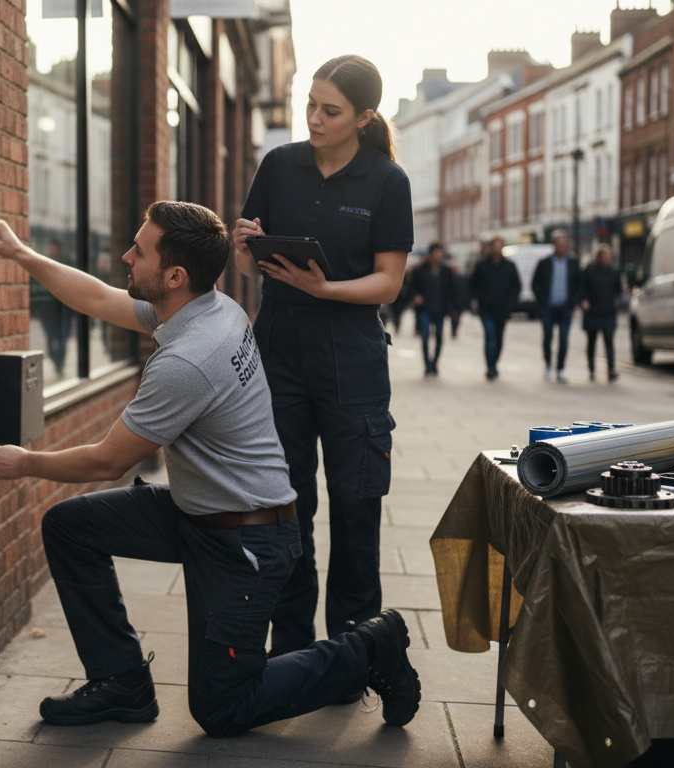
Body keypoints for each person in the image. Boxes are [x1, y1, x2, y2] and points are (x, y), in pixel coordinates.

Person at [0, 202, 421, 736]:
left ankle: (370, 646)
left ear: (174, 276)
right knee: (71, 527)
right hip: (200, 513)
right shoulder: (209, 306)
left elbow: (108, 460)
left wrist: (24, 462)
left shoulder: (190, 359)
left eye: (139, 251)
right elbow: (96, 297)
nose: (125, 256)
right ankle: (122, 682)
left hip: (247, 541)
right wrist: (18, 252)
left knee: (222, 708)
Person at [233, 55, 412, 669]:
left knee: (357, 506)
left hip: (352, 359)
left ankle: (356, 653)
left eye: (329, 110)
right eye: (310, 104)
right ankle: (291, 653)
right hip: (277, 349)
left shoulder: (388, 181)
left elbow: (388, 283)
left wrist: (326, 290)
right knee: (285, 505)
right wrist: (241, 250)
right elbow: (250, 267)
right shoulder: (279, 165)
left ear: (363, 118)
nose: (314, 118)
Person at [531, 229, 581, 383]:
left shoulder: (573, 263)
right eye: (559, 244)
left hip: (565, 307)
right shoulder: (544, 263)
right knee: (547, 337)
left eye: (564, 243)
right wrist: (542, 299)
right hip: (548, 307)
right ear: (554, 245)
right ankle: (548, 365)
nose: (562, 246)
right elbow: (535, 283)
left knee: (564, 339)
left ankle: (560, 369)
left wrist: (575, 302)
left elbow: (579, 284)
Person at [469, 235, 520, 380]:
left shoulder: (510, 266)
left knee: (499, 338)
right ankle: (490, 366)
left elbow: (516, 286)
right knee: (489, 336)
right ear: (491, 248)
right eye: (495, 247)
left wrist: (511, 303)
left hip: (503, 309)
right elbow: (473, 285)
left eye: (500, 246)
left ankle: (494, 363)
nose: (497, 250)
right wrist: (477, 300)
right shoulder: (482, 265)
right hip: (486, 308)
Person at [410, 243, 457, 376]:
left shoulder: (447, 271)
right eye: (435, 254)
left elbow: (452, 291)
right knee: (425, 337)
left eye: (440, 254)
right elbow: (412, 288)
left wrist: (453, 308)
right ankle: (427, 364)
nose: (438, 257)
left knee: (439, 337)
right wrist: (416, 296)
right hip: (425, 309)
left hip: (441, 310)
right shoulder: (420, 270)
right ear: (430, 255)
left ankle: (435, 363)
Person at [580, 243, 624, 382]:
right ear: (599, 257)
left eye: (609, 256)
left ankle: (611, 369)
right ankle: (592, 368)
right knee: (592, 342)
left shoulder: (614, 273)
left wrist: (617, 302)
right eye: (604, 256)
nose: (607, 259)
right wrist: (584, 301)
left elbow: (618, 290)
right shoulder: (590, 271)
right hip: (593, 312)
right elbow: (583, 289)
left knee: (609, 342)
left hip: (608, 312)